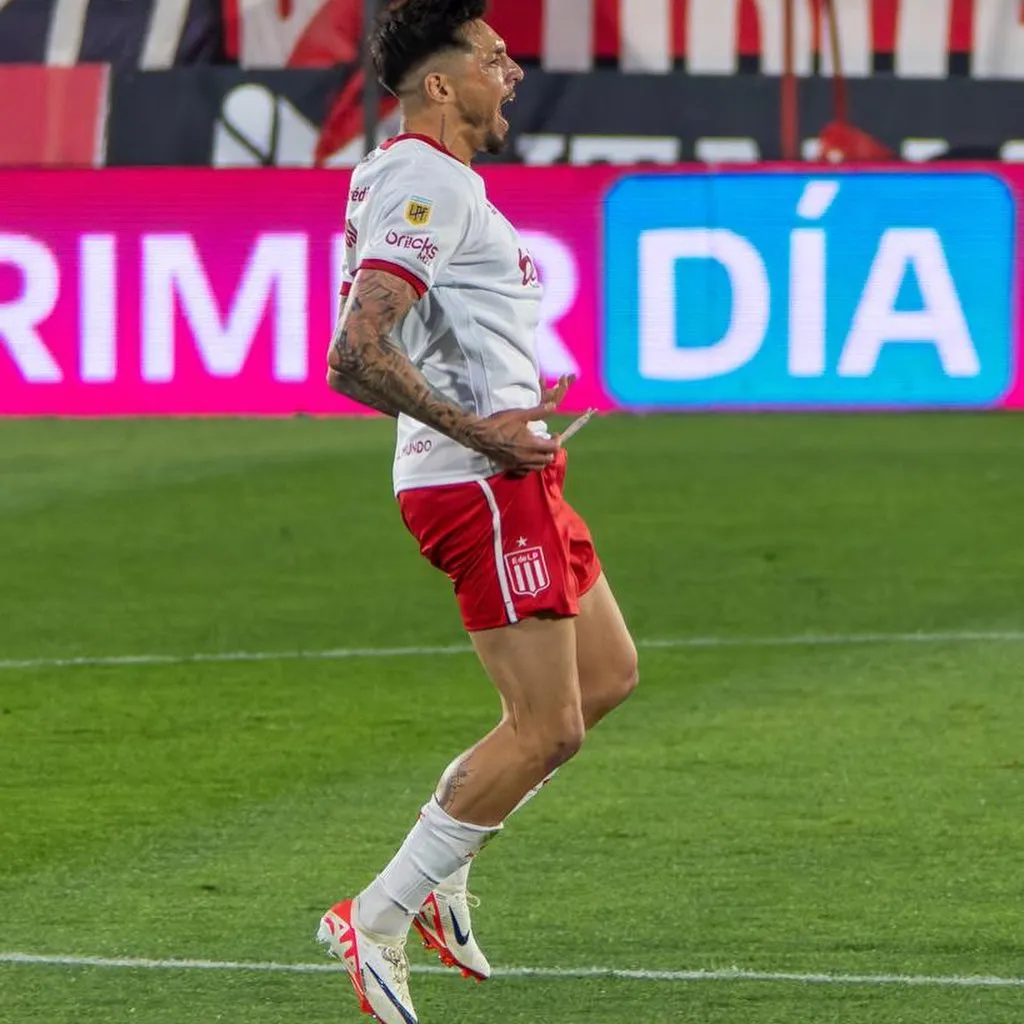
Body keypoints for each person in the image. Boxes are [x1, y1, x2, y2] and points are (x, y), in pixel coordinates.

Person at [316, 3, 639, 1021]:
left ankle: (445, 864)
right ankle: (375, 914)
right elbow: (353, 353)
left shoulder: (430, 180)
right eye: (495, 58)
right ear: (440, 84)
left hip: (507, 472)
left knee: (607, 675)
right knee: (547, 729)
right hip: (477, 484)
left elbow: (414, 341)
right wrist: (481, 431)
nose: (514, 73)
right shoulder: (427, 181)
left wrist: (511, 397)